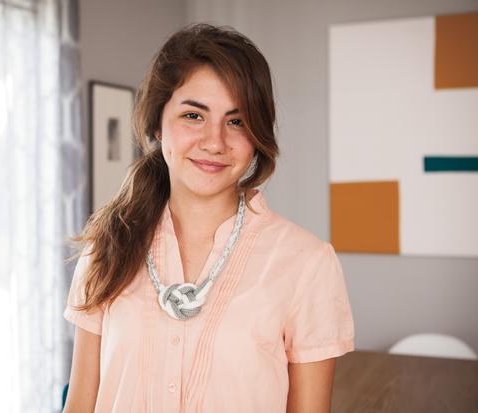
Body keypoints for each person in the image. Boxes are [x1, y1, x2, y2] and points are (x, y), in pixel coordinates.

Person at [62, 23, 355, 413]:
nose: (215, 142)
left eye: (236, 121)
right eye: (193, 116)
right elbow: (80, 404)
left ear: (258, 136)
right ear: (156, 124)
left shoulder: (307, 264)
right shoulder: (106, 247)